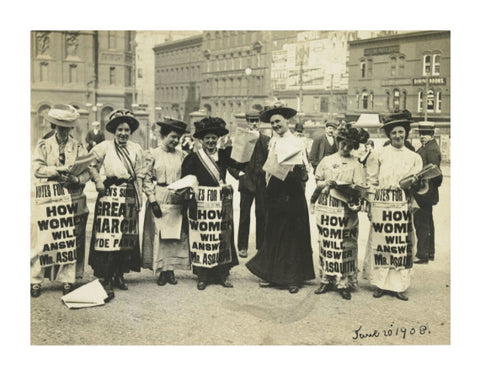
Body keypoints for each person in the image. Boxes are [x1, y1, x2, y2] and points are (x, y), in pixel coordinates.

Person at [246, 103, 315, 294]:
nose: (276, 125)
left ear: (287, 121)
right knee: (274, 233)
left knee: (293, 235)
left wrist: (297, 169)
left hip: (292, 192)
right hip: (275, 191)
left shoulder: (298, 142)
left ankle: (293, 277)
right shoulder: (272, 142)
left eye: (278, 121)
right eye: (273, 122)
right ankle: (272, 275)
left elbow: (306, 170)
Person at [31, 104, 90, 297]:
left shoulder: (79, 147)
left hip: (72, 197)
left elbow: (87, 172)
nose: (63, 131)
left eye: (67, 127)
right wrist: (58, 170)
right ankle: (35, 279)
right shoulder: (43, 145)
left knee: (68, 240)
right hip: (49, 196)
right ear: (54, 126)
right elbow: (37, 168)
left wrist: (75, 179)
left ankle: (67, 279)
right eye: (60, 127)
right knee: (43, 240)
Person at [363, 109, 423, 301]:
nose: (398, 135)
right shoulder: (379, 153)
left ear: (406, 133)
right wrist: (371, 204)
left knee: (400, 244)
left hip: (401, 204)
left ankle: (399, 286)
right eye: (394, 132)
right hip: (382, 203)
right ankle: (380, 283)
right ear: (389, 135)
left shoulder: (414, 157)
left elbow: (420, 184)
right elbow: (371, 181)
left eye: (401, 132)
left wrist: (415, 186)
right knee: (382, 244)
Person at [88, 109, 144, 301]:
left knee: (125, 238)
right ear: (114, 131)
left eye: (126, 130)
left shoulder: (136, 149)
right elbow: (90, 164)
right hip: (109, 196)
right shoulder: (104, 147)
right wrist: (98, 181)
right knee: (108, 237)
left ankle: (119, 274)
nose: (123, 133)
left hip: (127, 195)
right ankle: (106, 277)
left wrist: (139, 199)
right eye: (120, 129)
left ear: (131, 132)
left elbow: (140, 175)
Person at [181, 117, 241, 290]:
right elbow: (187, 180)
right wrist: (191, 198)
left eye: (213, 137)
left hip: (220, 203)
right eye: (207, 138)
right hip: (202, 205)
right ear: (201, 140)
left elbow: (239, 164)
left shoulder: (224, 155)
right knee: (202, 239)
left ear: (218, 139)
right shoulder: (193, 158)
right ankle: (202, 276)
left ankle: (222, 274)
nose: (210, 141)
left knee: (222, 237)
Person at [312, 123, 368, 300]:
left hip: (345, 209)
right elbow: (318, 180)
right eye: (343, 143)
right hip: (327, 206)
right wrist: (326, 184)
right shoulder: (327, 161)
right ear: (338, 141)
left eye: (350, 145)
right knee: (328, 242)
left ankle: (343, 282)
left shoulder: (356, 164)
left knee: (344, 244)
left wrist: (351, 190)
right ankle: (326, 279)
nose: (345, 148)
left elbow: (360, 189)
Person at [142, 118, 190, 285]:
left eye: (178, 138)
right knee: (160, 234)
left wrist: (185, 196)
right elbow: (146, 179)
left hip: (176, 196)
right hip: (160, 194)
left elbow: (187, 177)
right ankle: (162, 270)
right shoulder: (153, 154)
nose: (175, 141)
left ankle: (171, 270)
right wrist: (152, 200)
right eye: (172, 137)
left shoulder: (183, 155)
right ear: (163, 135)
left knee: (174, 235)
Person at [237, 110, 270, 258]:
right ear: (247, 122)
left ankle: (261, 245)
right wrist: (240, 175)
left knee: (262, 214)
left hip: (262, 183)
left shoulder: (266, 139)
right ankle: (242, 246)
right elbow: (233, 163)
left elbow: (271, 160)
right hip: (246, 182)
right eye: (251, 121)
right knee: (244, 215)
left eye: (256, 120)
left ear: (260, 122)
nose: (254, 123)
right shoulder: (241, 138)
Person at [413, 121, 443, 264]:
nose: (422, 137)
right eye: (421, 134)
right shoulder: (429, 147)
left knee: (421, 222)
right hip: (427, 192)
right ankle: (429, 252)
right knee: (427, 222)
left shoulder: (431, 150)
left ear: (432, 134)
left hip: (425, 192)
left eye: (426, 134)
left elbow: (434, 173)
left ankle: (422, 254)